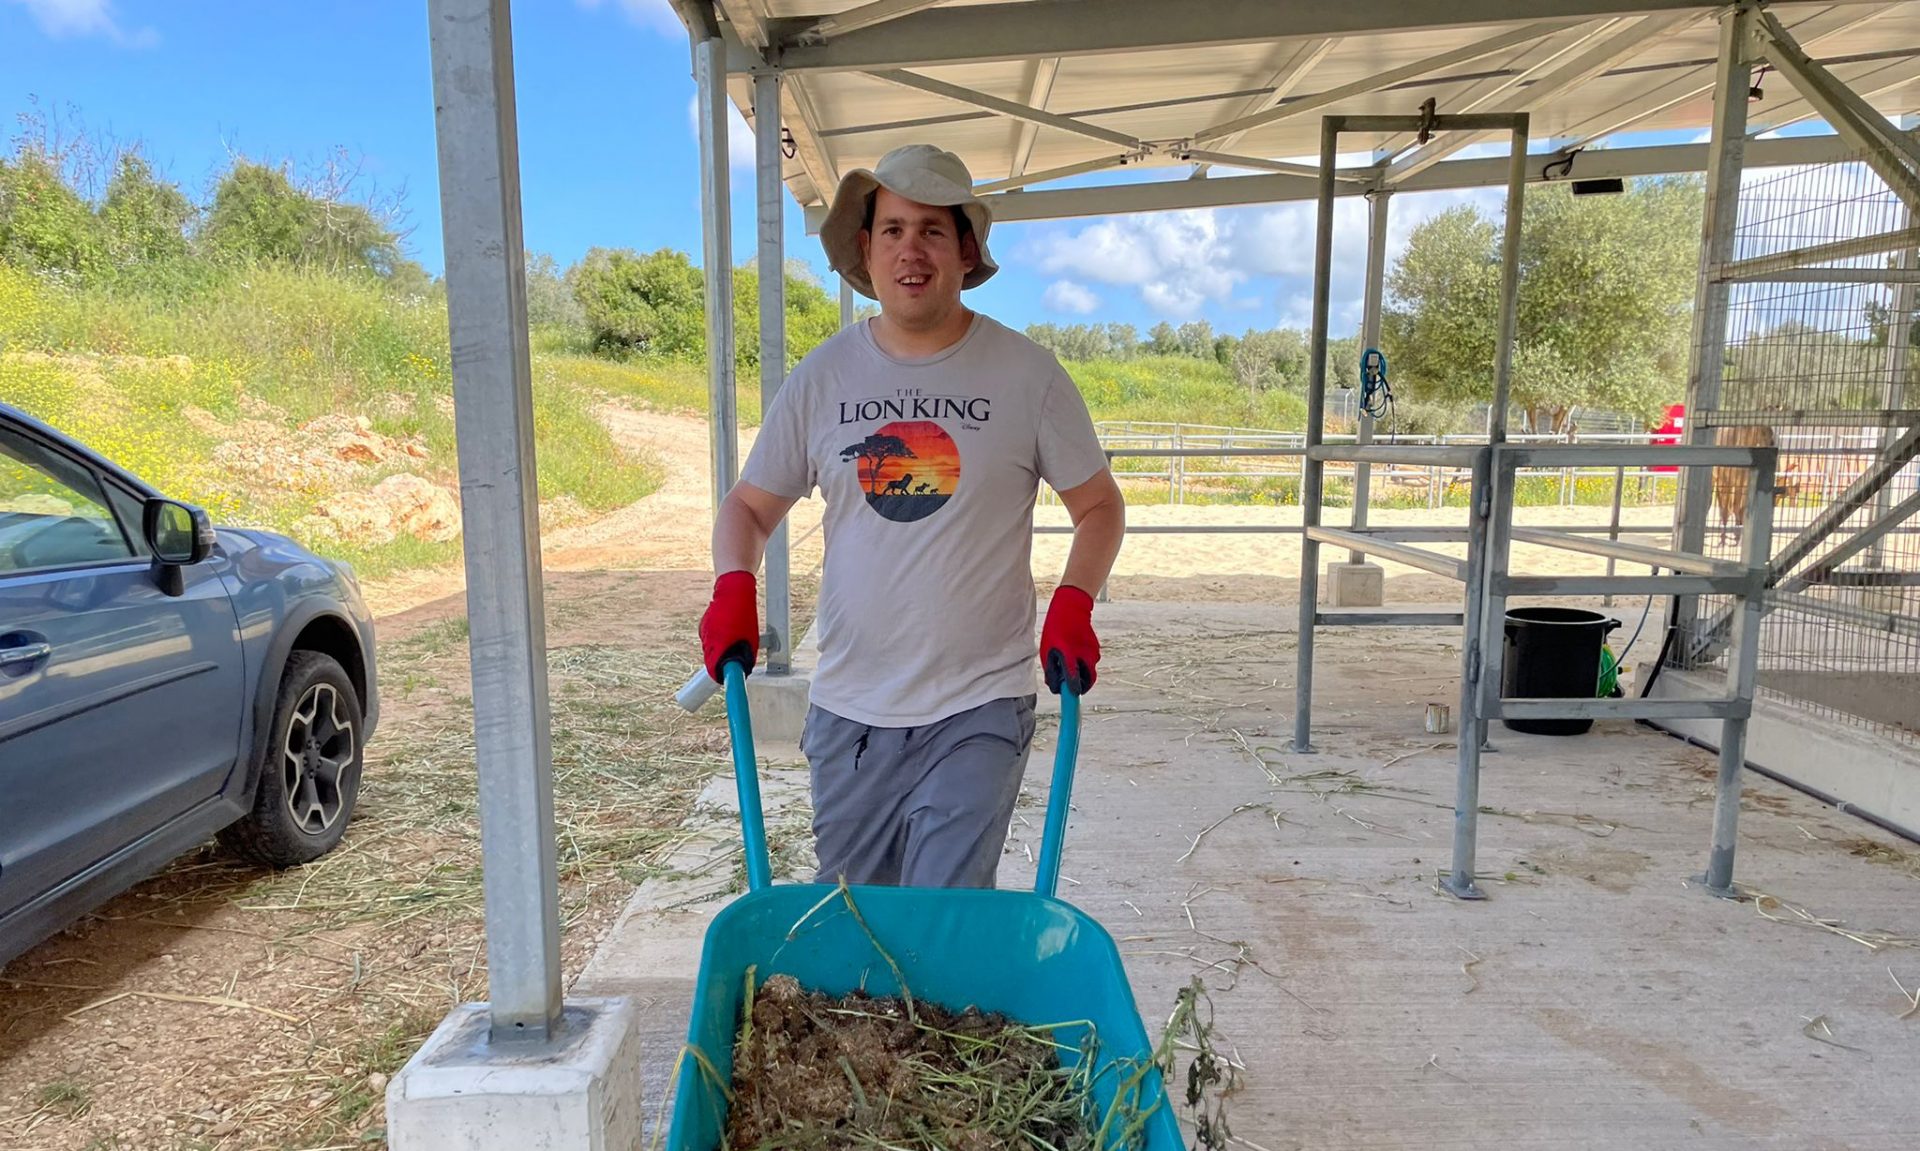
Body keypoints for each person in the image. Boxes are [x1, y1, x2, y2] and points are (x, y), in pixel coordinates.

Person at [697, 142, 1126, 890]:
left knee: (940, 921)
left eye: (932, 229)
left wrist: (1074, 603)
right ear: (866, 249)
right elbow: (749, 505)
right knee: (857, 920)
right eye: (893, 229)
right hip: (850, 710)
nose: (911, 251)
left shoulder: (1028, 375)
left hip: (979, 703)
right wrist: (733, 585)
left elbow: (1098, 506)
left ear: (966, 249)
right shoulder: (824, 377)